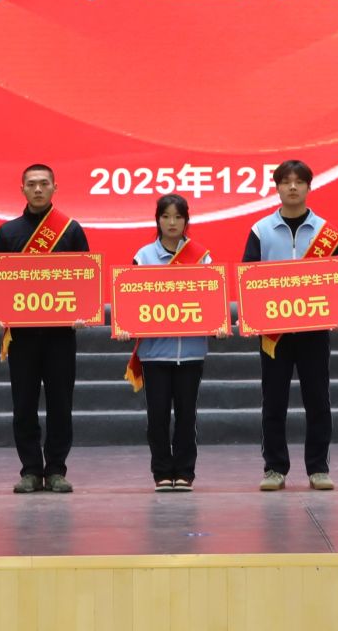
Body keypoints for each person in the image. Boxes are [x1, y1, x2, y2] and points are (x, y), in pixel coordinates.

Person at [243, 159, 338, 491]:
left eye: (299, 181)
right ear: (276, 187)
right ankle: (274, 468)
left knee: (318, 400)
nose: (292, 187)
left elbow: (337, 279)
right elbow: (249, 277)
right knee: (274, 401)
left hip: (314, 331)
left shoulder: (325, 231)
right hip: (274, 334)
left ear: (308, 187)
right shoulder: (261, 230)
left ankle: (318, 468)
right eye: (286, 181)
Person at [0, 164, 90, 495]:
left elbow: (84, 279)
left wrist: (83, 311)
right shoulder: (8, 233)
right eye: (31, 184)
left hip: (61, 335)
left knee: (61, 403)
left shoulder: (71, 231)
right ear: (22, 189)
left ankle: (57, 469)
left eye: (43, 183)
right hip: (22, 336)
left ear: (54, 188)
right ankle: (31, 470)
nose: (37, 189)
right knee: (24, 404)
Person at [130, 193, 213, 492]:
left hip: (191, 352)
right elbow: (132, 299)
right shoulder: (143, 257)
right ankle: (162, 472)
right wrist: (127, 324)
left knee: (187, 416)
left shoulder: (202, 257)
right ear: (158, 220)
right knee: (158, 416)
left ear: (187, 220)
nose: (172, 223)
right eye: (166, 217)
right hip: (154, 353)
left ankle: (185, 472)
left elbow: (209, 299)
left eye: (178, 217)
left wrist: (217, 324)